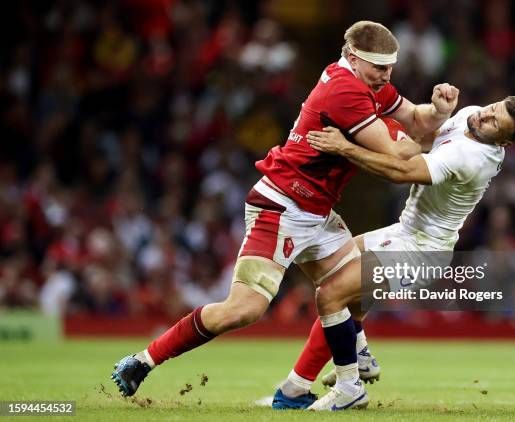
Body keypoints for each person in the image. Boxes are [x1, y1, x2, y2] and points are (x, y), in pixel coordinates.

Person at [110, 20, 458, 404]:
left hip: (316, 212)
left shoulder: (368, 83)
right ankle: (143, 360)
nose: (387, 75)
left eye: (391, 67)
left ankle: (301, 387)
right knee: (243, 310)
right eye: (379, 67)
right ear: (352, 58)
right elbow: (396, 155)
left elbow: (415, 120)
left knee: (351, 289)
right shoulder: (345, 90)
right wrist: (436, 150)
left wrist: (438, 113)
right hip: (281, 206)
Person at [274, 95, 515, 410]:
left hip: (422, 252)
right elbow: (424, 137)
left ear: (505, 143)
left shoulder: (471, 158)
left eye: (496, 123)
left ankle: (349, 388)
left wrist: (344, 146)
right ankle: (339, 364)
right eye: (492, 108)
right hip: (404, 232)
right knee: (331, 271)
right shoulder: (471, 114)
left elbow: (400, 171)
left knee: (331, 296)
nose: (485, 117)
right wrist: (434, 110)